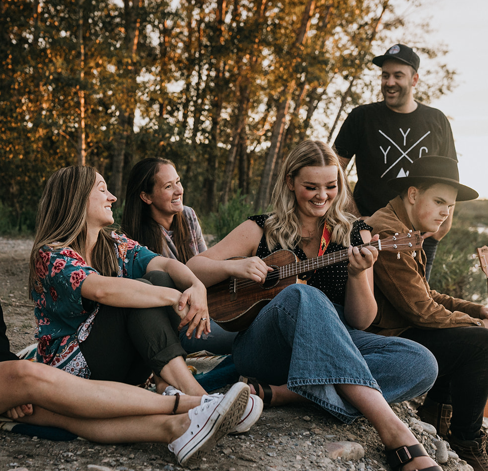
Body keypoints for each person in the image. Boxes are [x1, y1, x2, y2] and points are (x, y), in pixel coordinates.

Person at [0, 147, 253, 467]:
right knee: (26, 375)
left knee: (57, 411)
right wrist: (4, 381)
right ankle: (193, 404)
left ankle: (177, 430)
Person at [187, 140, 442, 471]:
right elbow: (194, 266)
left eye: (331, 186)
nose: (322, 195)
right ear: (290, 182)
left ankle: (285, 393)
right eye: (311, 187)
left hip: (338, 339)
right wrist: (233, 267)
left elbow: (361, 321)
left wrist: (357, 274)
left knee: (421, 362)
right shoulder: (260, 228)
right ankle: (393, 430)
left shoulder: (356, 233)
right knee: (301, 294)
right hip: (266, 349)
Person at [29, 165, 262, 433]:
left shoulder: (114, 244)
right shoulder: (51, 255)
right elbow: (102, 290)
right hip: (73, 373)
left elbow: (165, 264)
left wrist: (196, 286)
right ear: (76, 199)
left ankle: (175, 390)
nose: (113, 197)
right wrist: (175, 297)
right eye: (102, 190)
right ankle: (200, 398)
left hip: (121, 366)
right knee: (136, 294)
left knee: (158, 278)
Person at [366, 156, 488, 470]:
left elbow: (425, 294)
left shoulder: (404, 226)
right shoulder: (389, 232)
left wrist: (477, 308)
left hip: (396, 329)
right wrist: (477, 323)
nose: (446, 212)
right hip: (382, 340)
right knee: (481, 343)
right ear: (413, 194)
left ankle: (436, 419)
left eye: (450, 206)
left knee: (465, 331)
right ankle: (467, 442)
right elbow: (421, 311)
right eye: (439, 202)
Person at [334, 44, 457, 280]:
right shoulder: (361, 117)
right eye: (385, 75)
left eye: (398, 75)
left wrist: (442, 228)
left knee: (417, 301)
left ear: (414, 79)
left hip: (420, 238)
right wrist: (355, 217)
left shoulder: (437, 120)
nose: (389, 82)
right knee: (360, 299)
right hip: (368, 234)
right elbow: (333, 169)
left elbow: (451, 179)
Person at [122, 157, 237, 354]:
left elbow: (205, 264)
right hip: (182, 325)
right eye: (168, 186)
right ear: (146, 197)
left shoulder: (188, 216)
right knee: (247, 336)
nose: (179, 191)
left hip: (209, 308)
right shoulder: (135, 243)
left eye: (178, 182)